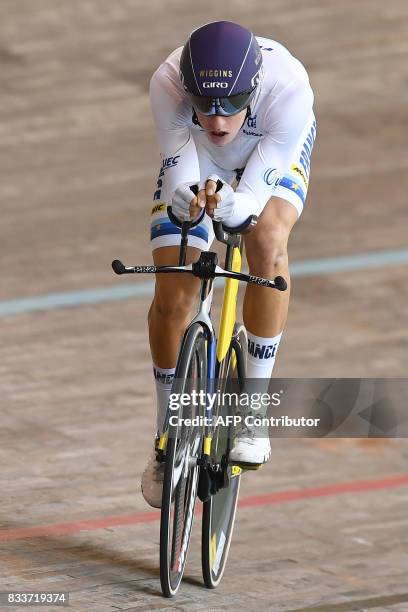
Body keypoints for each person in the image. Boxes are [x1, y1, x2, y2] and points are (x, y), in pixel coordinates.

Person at [142, 21, 316, 507]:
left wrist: (244, 204)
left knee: (267, 240)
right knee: (174, 286)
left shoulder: (289, 87)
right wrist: (184, 202)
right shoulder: (167, 82)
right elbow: (178, 158)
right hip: (198, 159)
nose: (218, 121)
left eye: (233, 104)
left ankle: (254, 407)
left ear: (254, 89)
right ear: (187, 89)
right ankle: (165, 435)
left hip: (269, 155)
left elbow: (262, 186)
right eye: (204, 105)